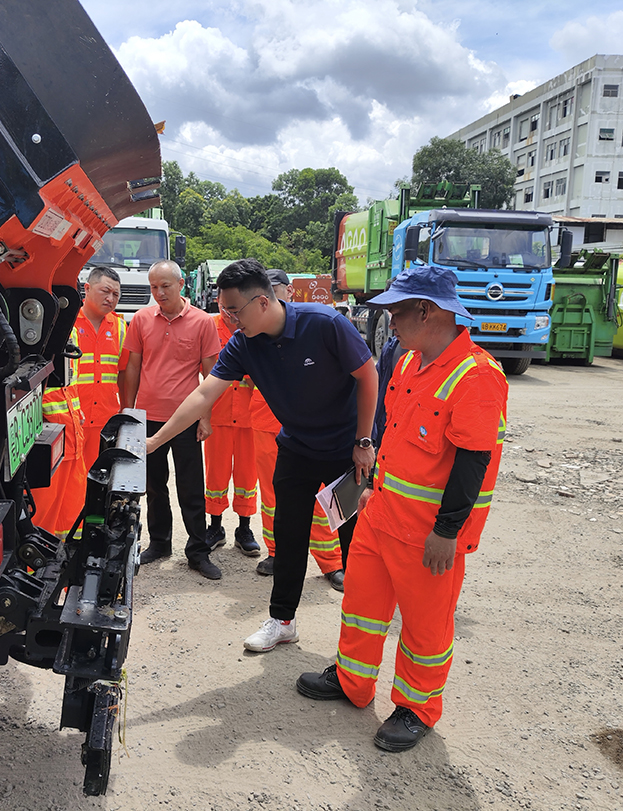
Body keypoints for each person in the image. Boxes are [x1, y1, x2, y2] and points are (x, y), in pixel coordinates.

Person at [296, 265, 508, 753]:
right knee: (362, 607)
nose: (389, 321)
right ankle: (352, 681)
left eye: (396, 311)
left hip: (428, 534)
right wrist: (371, 489)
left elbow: (474, 463)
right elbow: (397, 435)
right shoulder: (411, 362)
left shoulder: (476, 376)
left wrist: (448, 531)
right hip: (381, 514)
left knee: (425, 628)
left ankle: (417, 708)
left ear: (426, 312)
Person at [144, 259, 377, 651]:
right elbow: (205, 393)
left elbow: (367, 375)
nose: (231, 319)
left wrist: (364, 442)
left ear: (264, 302)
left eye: (236, 310)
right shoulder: (244, 344)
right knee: (288, 536)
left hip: (344, 454)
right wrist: (155, 442)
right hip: (297, 450)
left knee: (355, 539)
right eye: (225, 310)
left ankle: (363, 631)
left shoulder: (324, 324)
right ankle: (282, 620)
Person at [122, 260, 223, 579]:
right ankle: (160, 542)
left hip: (186, 419)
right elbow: (133, 368)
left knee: (191, 486)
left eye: (165, 285)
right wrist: (130, 413)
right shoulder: (140, 319)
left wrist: (205, 418)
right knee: (154, 485)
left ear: (181, 284)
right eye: (153, 287)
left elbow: (211, 376)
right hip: (148, 418)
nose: (158, 292)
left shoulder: (202, 322)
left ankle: (197, 550)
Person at [251, 269, 344, 591]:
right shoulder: (254, 335)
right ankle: (277, 553)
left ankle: (331, 561)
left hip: (312, 432)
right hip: (265, 423)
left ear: (288, 291)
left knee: (324, 498)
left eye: (277, 290)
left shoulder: (313, 326)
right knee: (273, 496)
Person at [203, 308, 260, 557]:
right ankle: (215, 527)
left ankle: (244, 529)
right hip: (219, 413)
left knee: (248, 476)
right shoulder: (209, 327)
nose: (230, 314)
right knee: (216, 474)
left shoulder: (255, 325)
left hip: (249, 416)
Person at [30, 323, 87, 540]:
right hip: (45, 439)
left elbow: (70, 384)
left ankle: (63, 558)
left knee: (71, 510)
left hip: (70, 434)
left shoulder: (69, 325)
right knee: (42, 512)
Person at [75, 267, 128, 467]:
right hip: (74, 419)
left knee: (98, 482)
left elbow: (123, 374)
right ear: (87, 289)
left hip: (105, 421)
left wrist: (125, 409)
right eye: (105, 291)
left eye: (116, 294)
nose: (110, 298)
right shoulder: (67, 324)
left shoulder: (120, 328)